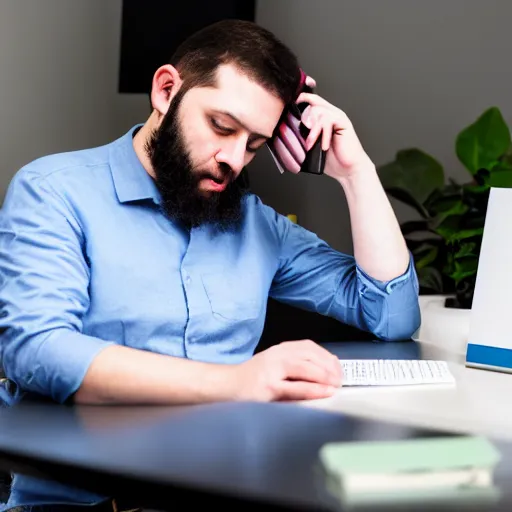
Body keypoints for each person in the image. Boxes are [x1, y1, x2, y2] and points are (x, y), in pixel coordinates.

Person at [0, 19, 420, 511]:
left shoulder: (255, 224)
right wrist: (236, 382)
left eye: (255, 144)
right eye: (222, 126)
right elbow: (37, 348)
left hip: (225, 494)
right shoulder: (54, 191)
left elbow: (391, 314)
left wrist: (355, 173)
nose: (234, 159)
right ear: (165, 90)